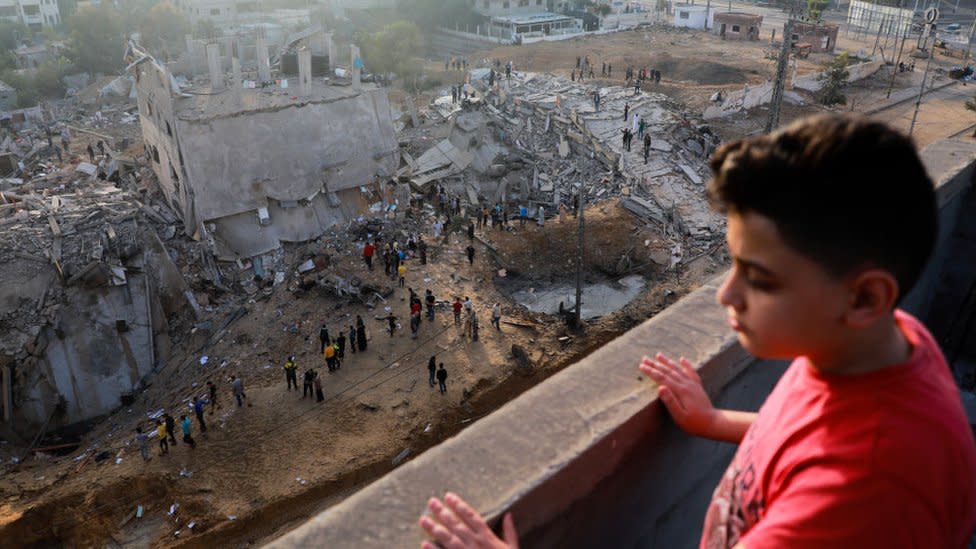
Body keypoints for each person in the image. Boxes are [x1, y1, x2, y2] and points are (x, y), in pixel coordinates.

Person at [417, 114, 976, 549]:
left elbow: (841, 458)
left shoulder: (862, 502)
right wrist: (714, 421)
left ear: (863, 297)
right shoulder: (875, 344)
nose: (724, 295)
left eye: (757, 278)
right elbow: (814, 433)